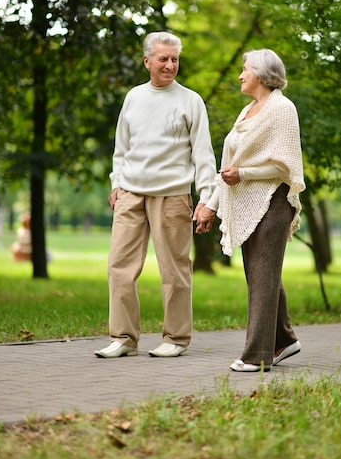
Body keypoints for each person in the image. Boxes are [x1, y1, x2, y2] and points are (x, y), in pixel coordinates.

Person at [95, 31, 217, 359]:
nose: (170, 65)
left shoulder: (190, 100)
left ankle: (176, 338)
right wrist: (116, 182)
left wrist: (207, 197)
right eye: (163, 58)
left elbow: (203, 154)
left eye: (175, 59)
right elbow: (122, 146)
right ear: (147, 61)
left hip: (172, 195)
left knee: (174, 269)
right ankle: (123, 338)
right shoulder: (134, 97)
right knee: (119, 266)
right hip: (131, 193)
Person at [196, 48, 305, 372]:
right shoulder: (247, 111)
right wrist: (209, 207)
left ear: (260, 73)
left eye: (245, 69)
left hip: (273, 202)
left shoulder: (283, 109)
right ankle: (285, 339)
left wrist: (245, 174)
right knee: (261, 276)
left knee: (262, 276)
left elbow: (286, 167)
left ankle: (257, 356)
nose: (241, 75)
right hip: (246, 200)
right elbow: (228, 168)